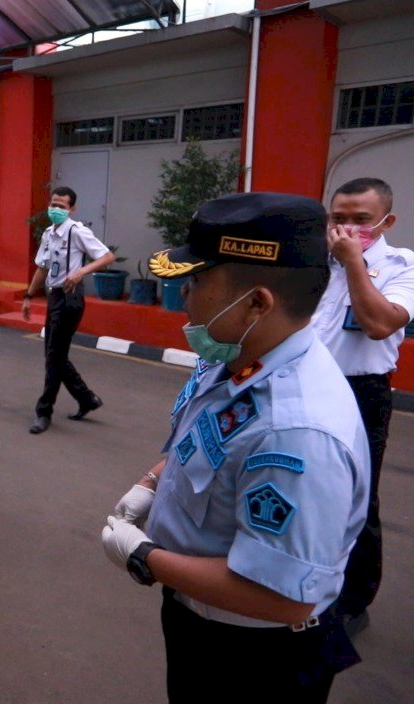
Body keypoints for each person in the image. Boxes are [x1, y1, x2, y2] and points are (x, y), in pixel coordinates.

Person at [101, 193, 369, 703]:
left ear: (257, 302)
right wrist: (152, 482)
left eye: (198, 280)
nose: (184, 294)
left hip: (252, 654)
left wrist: (145, 557)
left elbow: (282, 596)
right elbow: (206, 442)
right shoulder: (240, 356)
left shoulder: (296, 430)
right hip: (199, 619)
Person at [310, 177, 414, 635]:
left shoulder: (407, 267)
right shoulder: (314, 261)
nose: (346, 228)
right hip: (302, 385)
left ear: (386, 221)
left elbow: (380, 323)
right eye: (338, 218)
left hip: (360, 392)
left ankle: (353, 601)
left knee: (356, 500)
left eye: (361, 220)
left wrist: (354, 263)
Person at [22, 186, 114, 434]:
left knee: (54, 357)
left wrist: (81, 272)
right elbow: (42, 267)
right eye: (53, 204)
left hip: (70, 299)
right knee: (54, 356)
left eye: (61, 206)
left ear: (72, 209)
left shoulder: (77, 231)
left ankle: (44, 412)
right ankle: (86, 399)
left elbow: (106, 257)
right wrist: (29, 296)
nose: (55, 209)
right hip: (54, 298)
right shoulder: (49, 234)